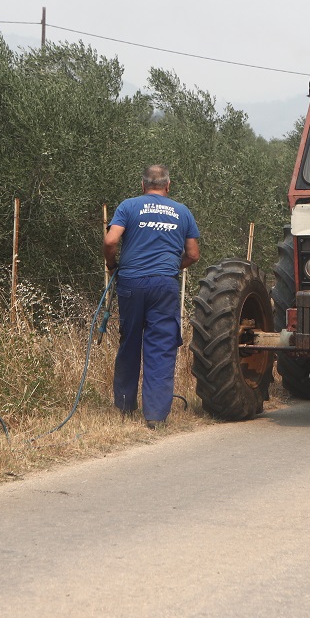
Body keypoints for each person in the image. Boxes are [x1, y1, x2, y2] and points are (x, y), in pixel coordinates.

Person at [103, 164, 200, 428]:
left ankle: (125, 406)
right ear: (168, 186)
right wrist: (170, 268)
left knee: (130, 341)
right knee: (161, 347)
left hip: (131, 283)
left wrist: (113, 265)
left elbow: (111, 241)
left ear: (143, 185)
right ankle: (155, 416)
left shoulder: (128, 206)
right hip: (164, 286)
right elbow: (193, 254)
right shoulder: (182, 211)